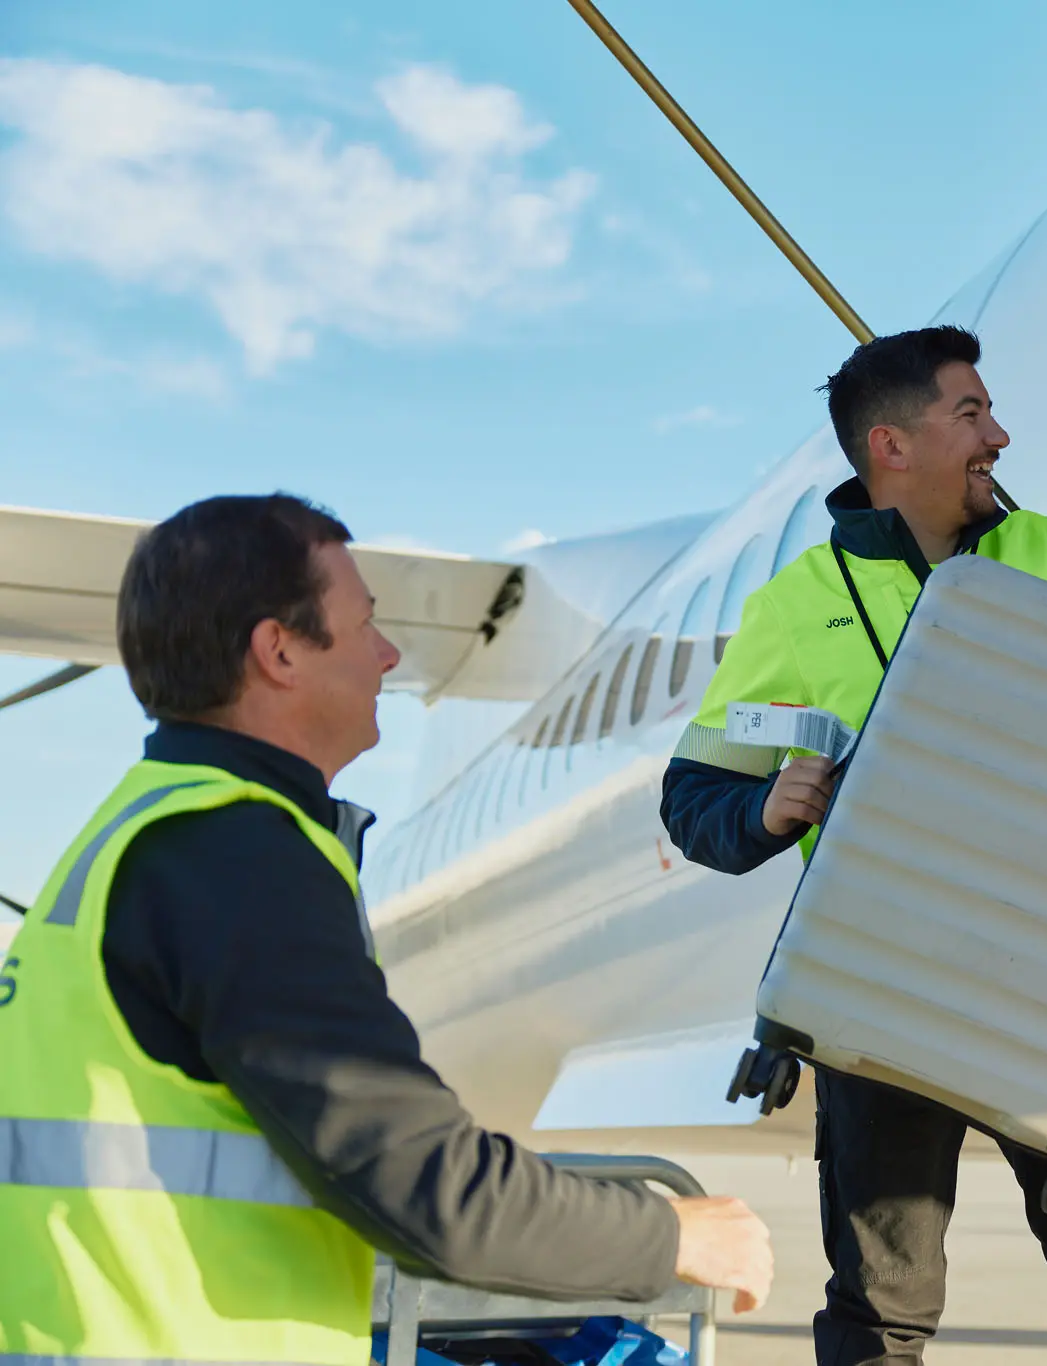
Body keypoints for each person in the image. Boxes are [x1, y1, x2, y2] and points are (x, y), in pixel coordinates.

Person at [0, 495, 772, 1366]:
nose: (389, 654)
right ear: (279, 650)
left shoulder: (143, 833)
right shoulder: (236, 854)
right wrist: (672, 1236)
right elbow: (423, 1182)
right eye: (364, 624)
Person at [661, 326, 1047, 1366]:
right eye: (971, 414)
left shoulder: (1044, 555)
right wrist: (765, 814)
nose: (1000, 434)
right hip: (881, 981)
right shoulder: (796, 608)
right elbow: (694, 797)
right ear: (890, 445)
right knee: (882, 1309)